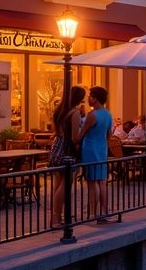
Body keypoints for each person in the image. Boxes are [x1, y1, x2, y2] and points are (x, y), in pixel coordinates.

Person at [75, 86, 114, 223]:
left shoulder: (93, 115)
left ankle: (94, 212)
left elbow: (81, 134)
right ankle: (104, 211)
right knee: (102, 181)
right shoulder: (108, 114)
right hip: (102, 148)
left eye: (90, 96)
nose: (88, 99)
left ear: (95, 97)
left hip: (90, 149)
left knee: (92, 181)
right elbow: (109, 134)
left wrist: (75, 139)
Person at [49, 86, 86, 228]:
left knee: (57, 184)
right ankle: (57, 219)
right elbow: (74, 137)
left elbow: (58, 132)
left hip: (56, 147)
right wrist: (84, 134)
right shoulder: (75, 113)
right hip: (67, 151)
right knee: (65, 185)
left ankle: (55, 216)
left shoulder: (59, 111)